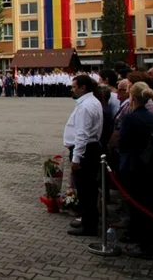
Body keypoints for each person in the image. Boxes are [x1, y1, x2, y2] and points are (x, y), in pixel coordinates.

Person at [119, 82, 153, 259]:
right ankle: (145, 240)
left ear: (133, 97)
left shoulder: (131, 118)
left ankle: (145, 244)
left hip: (134, 164)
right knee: (149, 204)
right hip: (150, 164)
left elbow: (123, 143)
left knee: (138, 205)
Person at [63, 74, 103, 236]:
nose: (72, 89)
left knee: (86, 190)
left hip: (85, 151)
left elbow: (82, 134)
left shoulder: (86, 106)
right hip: (91, 149)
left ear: (83, 88)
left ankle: (89, 226)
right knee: (88, 190)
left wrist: (76, 158)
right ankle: (88, 220)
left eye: (74, 87)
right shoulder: (91, 102)